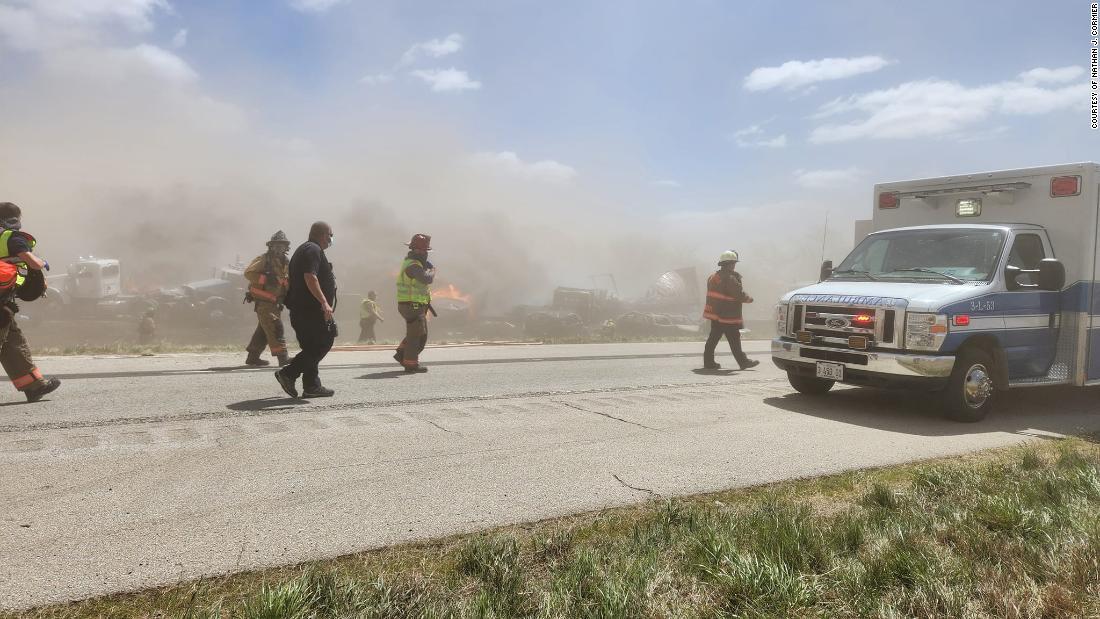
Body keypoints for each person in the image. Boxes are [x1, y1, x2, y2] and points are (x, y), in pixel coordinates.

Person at [0, 202, 60, 402]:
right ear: (12, 219)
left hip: (5, 303)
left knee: (13, 343)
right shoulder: (13, 238)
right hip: (2, 303)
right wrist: (42, 262)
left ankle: (33, 386)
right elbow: (32, 262)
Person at [275, 222, 337, 398]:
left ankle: (311, 386)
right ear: (323, 234)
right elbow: (310, 277)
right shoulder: (312, 250)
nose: (331, 239)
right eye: (330, 235)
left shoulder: (306, 249)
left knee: (311, 347)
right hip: (310, 311)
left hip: (302, 310)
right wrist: (324, 302)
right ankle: (288, 373)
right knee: (324, 341)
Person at [702, 250, 759, 370]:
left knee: (713, 339)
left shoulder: (713, 277)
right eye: (733, 263)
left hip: (716, 315)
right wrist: (749, 299)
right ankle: (743, 362)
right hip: (728, 316)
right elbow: (738, 294)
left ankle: (708, 362)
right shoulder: (730, 278)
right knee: (734, 340)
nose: (734, 265)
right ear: (730, 264)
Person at [243, 231, 291, 367]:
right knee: (275, 327)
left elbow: (286, 282)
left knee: (264, 330)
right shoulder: (264, 259)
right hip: (264, 303)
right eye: (276, 246)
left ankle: (253, 357)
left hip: (276, 303)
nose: (278, 248)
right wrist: (265, 278)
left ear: (286, 248)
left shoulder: (285, 263)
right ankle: (283, 358)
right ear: (271, 246)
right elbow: (248, 273)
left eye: (281, 246)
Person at [394, 234, 434, 373]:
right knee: (415, 336)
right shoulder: (413, 266)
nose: (425, 254)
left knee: (419, 334)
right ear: (418, 251)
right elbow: (426, 279)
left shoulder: (413, 264)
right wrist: (431, 271)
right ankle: (410, 364)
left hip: (413, 305)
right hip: (412, 306)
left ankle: (401, 354)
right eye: (425, 251)